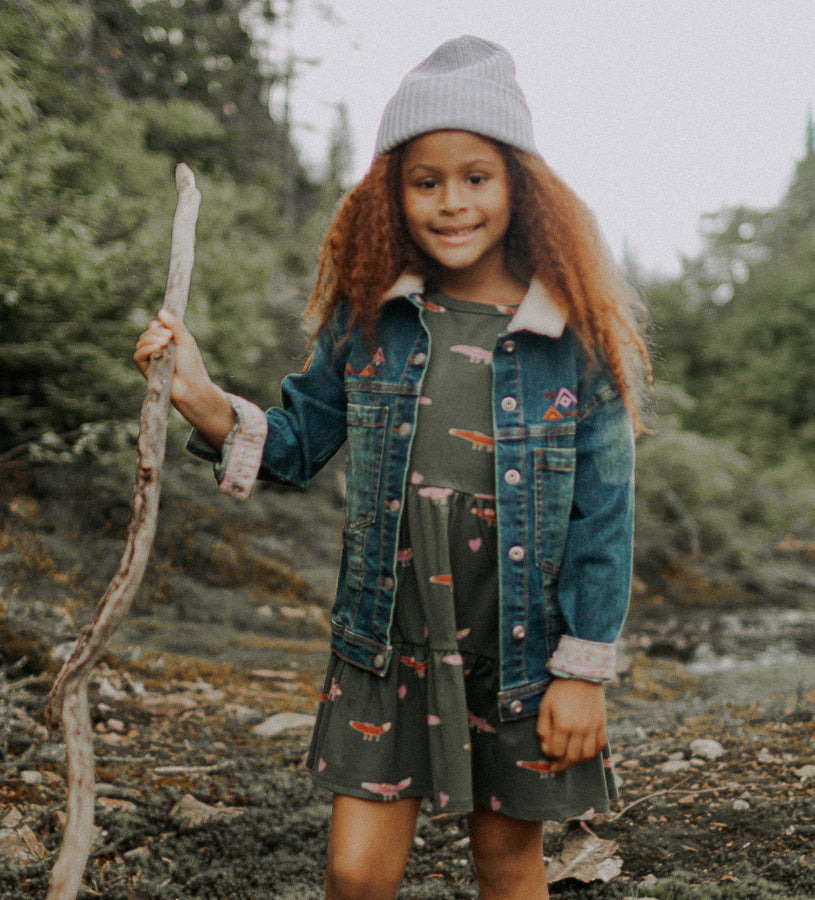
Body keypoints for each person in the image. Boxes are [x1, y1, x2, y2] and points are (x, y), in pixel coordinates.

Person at [135, 35, 651, 900]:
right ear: (394, 193)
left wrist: (582, 672)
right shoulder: (371, 320)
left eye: (476, 177)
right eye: (426, 180)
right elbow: (296, 443)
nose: (452, 202)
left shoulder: (577, 344)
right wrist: (200, 395)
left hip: (518, 654)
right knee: (354, 872)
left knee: (506, 861)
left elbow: (604, 520)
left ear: (520, 186)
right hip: (385, 641)